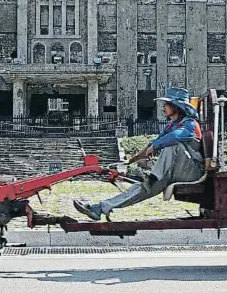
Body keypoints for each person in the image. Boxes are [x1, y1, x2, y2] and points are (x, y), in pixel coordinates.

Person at [73, 87, 205, 221]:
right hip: (174, 173)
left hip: (192, 172)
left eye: (167, 104)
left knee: (173, 145)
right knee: (140, 188)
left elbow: (176, 137)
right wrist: (130, 161)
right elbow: (152, 144)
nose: (163, 107)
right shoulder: (170, 126)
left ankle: (153, 178)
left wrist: (156, 146)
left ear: (176, 107)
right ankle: (100, 208)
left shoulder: (189, 124)